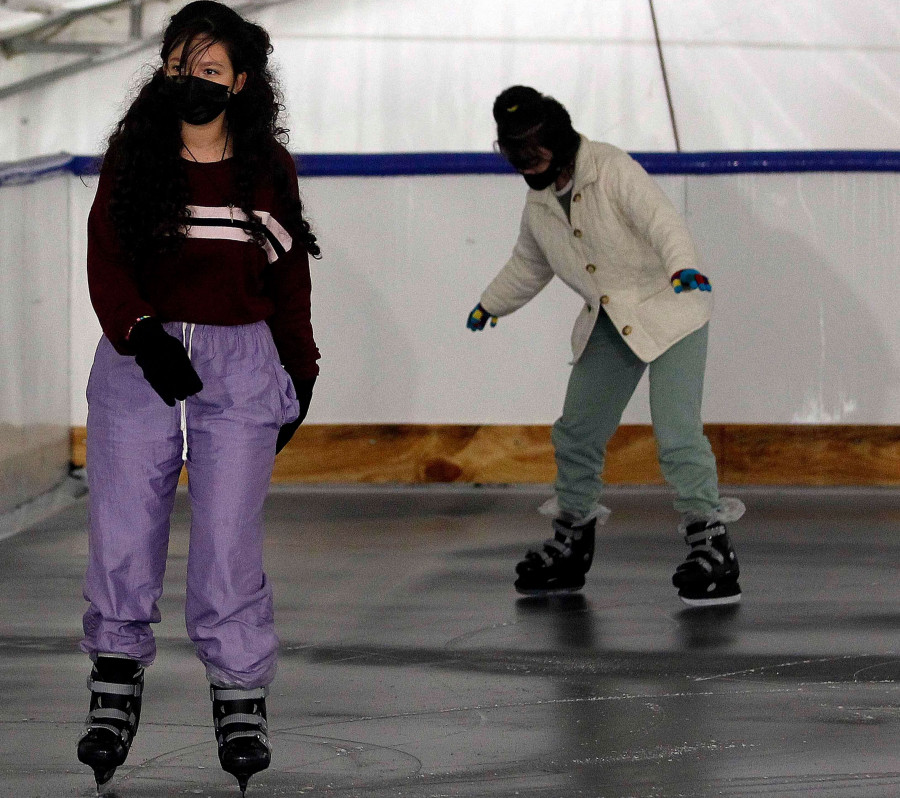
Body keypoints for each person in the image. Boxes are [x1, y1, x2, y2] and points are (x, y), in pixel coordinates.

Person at [76, 2, 319, 792]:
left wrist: (299, 368)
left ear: (242, 82)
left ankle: (239, 690)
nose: (192, 80)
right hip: (140, 353)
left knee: (226, 536)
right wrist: (141, 333)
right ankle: (115, 678)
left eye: (210, 69)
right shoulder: (133, 156)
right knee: (123, 519)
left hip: (242, 357)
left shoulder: (266, 168)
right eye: (180, 65)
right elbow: (106, 255)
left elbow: (288, 275)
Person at [467, 85, 744, 606]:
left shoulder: (611, 168)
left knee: (676, 432)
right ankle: (571, 541)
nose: (526, 165)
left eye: (534, 152)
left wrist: (685, 266)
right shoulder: (540, 202)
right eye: (515, 155)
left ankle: (713, 545)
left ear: (557, 138)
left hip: (673, 306)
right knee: (576, 432)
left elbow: (662, 220)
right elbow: (530, 263)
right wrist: (491, 303)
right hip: (611, 320)